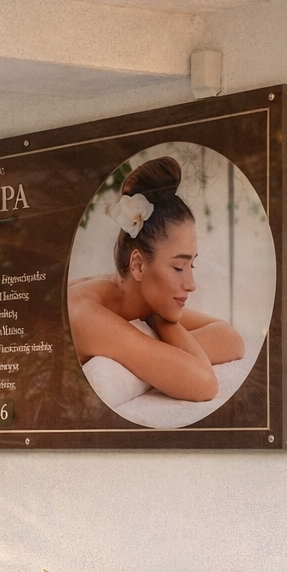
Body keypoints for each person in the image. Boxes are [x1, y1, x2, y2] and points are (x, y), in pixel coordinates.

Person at [68, 156, 244, 402]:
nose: (191, 284)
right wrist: (167, 356)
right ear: (138, 265)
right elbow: (204, 383)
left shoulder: (146, 305)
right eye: (179, 267)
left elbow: (231, 339)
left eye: (191, 264)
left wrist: (163, 329)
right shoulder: (85, 314)